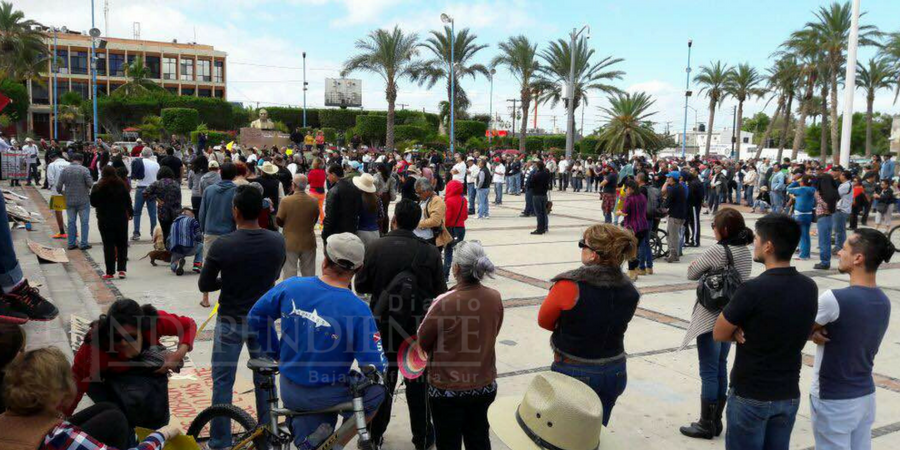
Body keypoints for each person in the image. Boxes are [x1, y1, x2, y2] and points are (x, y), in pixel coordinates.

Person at [250, 233, 387, 450]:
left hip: (289, 388)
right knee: (376, 391)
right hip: (328, 393)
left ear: (324, 260)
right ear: (358, 270)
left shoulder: (291, 286)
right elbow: (374, 365)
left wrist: (274, 351)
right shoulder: (358, 309)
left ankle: (315, 439)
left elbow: (256, 316)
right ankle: (337, 442)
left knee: (310, 438)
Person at [713, 213, 818, 450]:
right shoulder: (809, 287)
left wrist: (737, 328)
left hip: (751, 394)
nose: (754, 243)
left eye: (757, 238)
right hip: (788, 393)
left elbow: (719, 332)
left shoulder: (753, 288)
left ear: (769, 246)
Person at [355, 199, 447, 450]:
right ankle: (423, 437)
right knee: (418, 387)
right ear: (418, 221)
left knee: (383, 383)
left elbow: (360, 285)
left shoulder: (375, 247)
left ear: (394, 219)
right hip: (417, 331)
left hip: (383, 327)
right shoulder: (429, 251)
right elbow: (441, 292)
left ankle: (374, 435)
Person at [199, 185, 286, 449]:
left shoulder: (223, 245)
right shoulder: (276, 241)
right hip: (262, 321)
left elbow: (205, 284)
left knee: (223, 382)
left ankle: (220, 440)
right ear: (260, 211)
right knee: (265, 381)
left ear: (235, 211)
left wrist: (228, 279)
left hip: (230, 319)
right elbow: (273, 275)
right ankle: (265, 438)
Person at [538, 224, 639, 426]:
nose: (581, 248)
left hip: (576, 368)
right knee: (594, 434)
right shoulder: (630, 289)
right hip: (615, 369)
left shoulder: (569, 285)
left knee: (565, 436)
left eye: (583, 244)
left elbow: (545, 321)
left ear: (594, 255)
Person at [1, 347, 183, 450]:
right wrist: (161, 435)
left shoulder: (5, 419)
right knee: (116, 419)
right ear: (59, 390)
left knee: (109, 410)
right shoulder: (59, 436)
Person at [809, 229, 893, 450]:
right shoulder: (884, 301)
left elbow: (796, 326)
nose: (839, 252)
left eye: (844, 248)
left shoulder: (834, 299)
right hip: (865, 394)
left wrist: (811, 332)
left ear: (858, 258)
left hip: (833, 397)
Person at [418, 241, 503, 450]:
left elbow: (423, 339)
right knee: (479, 438)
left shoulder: (444, 301)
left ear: (456, 269)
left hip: (447, 388)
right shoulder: (494, 297)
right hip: (484, 383)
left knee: (448, 442)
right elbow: (494, 329)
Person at [679, 209, 754, 440]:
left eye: (714, 226)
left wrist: (697, 266)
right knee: (720, 366)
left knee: (709, 371)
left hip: (710, 317)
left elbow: (692, 272)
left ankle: (705, 423)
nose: (713, 230)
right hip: (731, 317)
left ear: (723, 230)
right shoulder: (744, 252)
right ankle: (716, 421)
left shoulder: (718, 250)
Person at [67, 299, 196, 427]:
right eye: (117, 337)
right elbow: (75, 384)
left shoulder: (153, 323)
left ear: (142, 329)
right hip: (112, 388)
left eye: (131, 336)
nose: (124, 343)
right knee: (120, 425)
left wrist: (178, 355)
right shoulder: (94, 346)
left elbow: (189, 324)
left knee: (157, 427)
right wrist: (60, 422)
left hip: (149, 385)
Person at [198, 162, 238, 307]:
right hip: (229, 232)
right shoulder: (237, 191)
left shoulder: (209, 190)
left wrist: (203, 229)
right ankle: (225, 297)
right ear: (234, 175)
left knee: (208, 264)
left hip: (210, 231)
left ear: (220, 173)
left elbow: (202, 212)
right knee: (229, 265)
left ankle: (205, 298)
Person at [90, 166, 133, 279]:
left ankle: (110, 272)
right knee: (122, 244)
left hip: (105, 219)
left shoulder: (98, 186)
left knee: (108, 245)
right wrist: (130, 212)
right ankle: (122, 270)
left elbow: (93, 203)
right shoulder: (121, 185)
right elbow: (128, 200)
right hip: (121, 218)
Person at [277, 174, 320, 279]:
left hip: (290, 241)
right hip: (308, 241)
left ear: (293, 185)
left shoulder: (286, 201)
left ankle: (291, 294)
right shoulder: (313, 201)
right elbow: (315, 219)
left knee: (289, 272)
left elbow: (279, 220)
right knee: (309, 272)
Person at [56, 152, 94, 251]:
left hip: (69, 200)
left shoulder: (65, 170)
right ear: (81, 160)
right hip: (83, 200)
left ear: (72, 160)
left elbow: (58, 186)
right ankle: (84, 243)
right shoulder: (84, 170)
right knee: (84, 222)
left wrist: (63, 193)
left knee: (71, 222)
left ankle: (71, 243)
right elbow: (90, 184)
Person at [322, 164, 361, 245]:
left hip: (337, 233)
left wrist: (325, 234)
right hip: (351, 230)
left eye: (328, 175)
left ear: (333, 175)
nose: (327, 178)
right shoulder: (354, 188)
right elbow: (358, 209)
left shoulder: (333, 191)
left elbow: (329, 216)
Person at [143, 166, 182, 246]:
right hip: (176, 211)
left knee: (165, 231)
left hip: (163, 211)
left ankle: (167, 249)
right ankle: (175, 250)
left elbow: (145, 193)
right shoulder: (176, 183)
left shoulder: (157, 183)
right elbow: (179, 198)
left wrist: (156, 199)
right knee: (174, 231)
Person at [618, 180, 649, 281]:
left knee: (630, 250)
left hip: (632, 227)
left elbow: (625, 212)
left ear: (630, 189)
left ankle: (631, 272)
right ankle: (635, 270)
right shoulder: (642, 196)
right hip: (643, 226)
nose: (625, 190)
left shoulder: (630, 199)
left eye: (626, 188)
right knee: (636, 249)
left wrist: (619, 212)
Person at [131, 148, 160, 241]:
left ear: (141, 153)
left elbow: (134, 176)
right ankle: (153, 233)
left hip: (141, 188)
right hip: (152, 189)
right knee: (152, 213)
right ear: (151, 154)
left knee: (137, 212)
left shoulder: (139, 162)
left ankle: (136, 232)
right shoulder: (156, 164)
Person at [442, 179, 468, 281]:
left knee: (448, 251)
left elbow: (447, 218)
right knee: (459, 252)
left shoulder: (448, 200)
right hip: (461, 228)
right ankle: (462, 275)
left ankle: (446, 275)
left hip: (450, 229)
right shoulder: (464, 200)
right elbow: (465, 216)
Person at [787, 174, 816, 260]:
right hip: (809, 214)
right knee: (806, 235)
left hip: (800, 214)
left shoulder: (801, 189)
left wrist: (796, 181)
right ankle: (807, 254)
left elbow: (788, 188)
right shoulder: (812, 189)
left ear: (802, 182)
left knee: (802, 235)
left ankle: (803, 255)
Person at [168, 208, 203, 275]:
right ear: (186, 212)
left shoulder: (174, 222)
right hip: (189, 248)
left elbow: (169, 239)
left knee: (173, 267)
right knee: (201, 246)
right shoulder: (193, 221)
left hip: (176, 249)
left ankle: (176, 263)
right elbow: (198, 235)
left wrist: (171, 249)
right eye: (192, 214)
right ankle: (197, 266)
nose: (193, 215)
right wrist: (200, 240)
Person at [663, 171, 687, 263]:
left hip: (675, 215)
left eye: (669, 178)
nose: (667, 179)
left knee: (672, 236)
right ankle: (675, 254)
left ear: (673, 179)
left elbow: (667, 203)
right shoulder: (681, 187)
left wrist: (662, 206)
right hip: (681, 214)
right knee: (673, 234)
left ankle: (673, 255)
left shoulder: (673, 189)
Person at [46, 151, 70, 239]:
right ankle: (74, 231)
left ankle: (62, 232)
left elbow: (50, 179)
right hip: (70, 192)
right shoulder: (69, 164)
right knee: (72, 211)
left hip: (57, 192)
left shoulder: (52, 165)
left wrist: (51, 187)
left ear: (52, 158)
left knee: (58, 211)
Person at [355, 173, 382, 248]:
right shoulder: (377, 199)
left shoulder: (358, 199)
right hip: (375, 232)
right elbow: (381, 215)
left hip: (360, 232)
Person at [833, 170, 851, 251]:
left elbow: (836, 194)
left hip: (841, 209)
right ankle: (841, 246)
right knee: (841, 229)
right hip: (844, 209)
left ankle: (839, 247)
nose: (839, 176)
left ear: (844, 176)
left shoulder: (845, 186)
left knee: (839, 230)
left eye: (841, 175)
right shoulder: (847, 184)